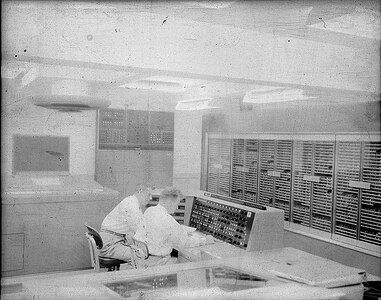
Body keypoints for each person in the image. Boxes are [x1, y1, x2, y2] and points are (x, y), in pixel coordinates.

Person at [134, 187, 213, 266]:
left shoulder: (150, 210)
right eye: (177, 203)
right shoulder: (167, 219)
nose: (177, 207)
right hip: (157, 262)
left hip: (141, 258)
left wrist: (182, 230)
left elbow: (166, 230)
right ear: (170, 202)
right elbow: (184, 243)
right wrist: (204, 240)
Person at [99, 183, 152, 263]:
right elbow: (138, 230)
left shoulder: (133, 202)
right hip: (111, 244)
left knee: (140, 251)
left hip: (113, 241)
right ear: (139, 191)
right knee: (140, 256)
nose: (150, 198)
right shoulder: (131, 204)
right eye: (148, 194)